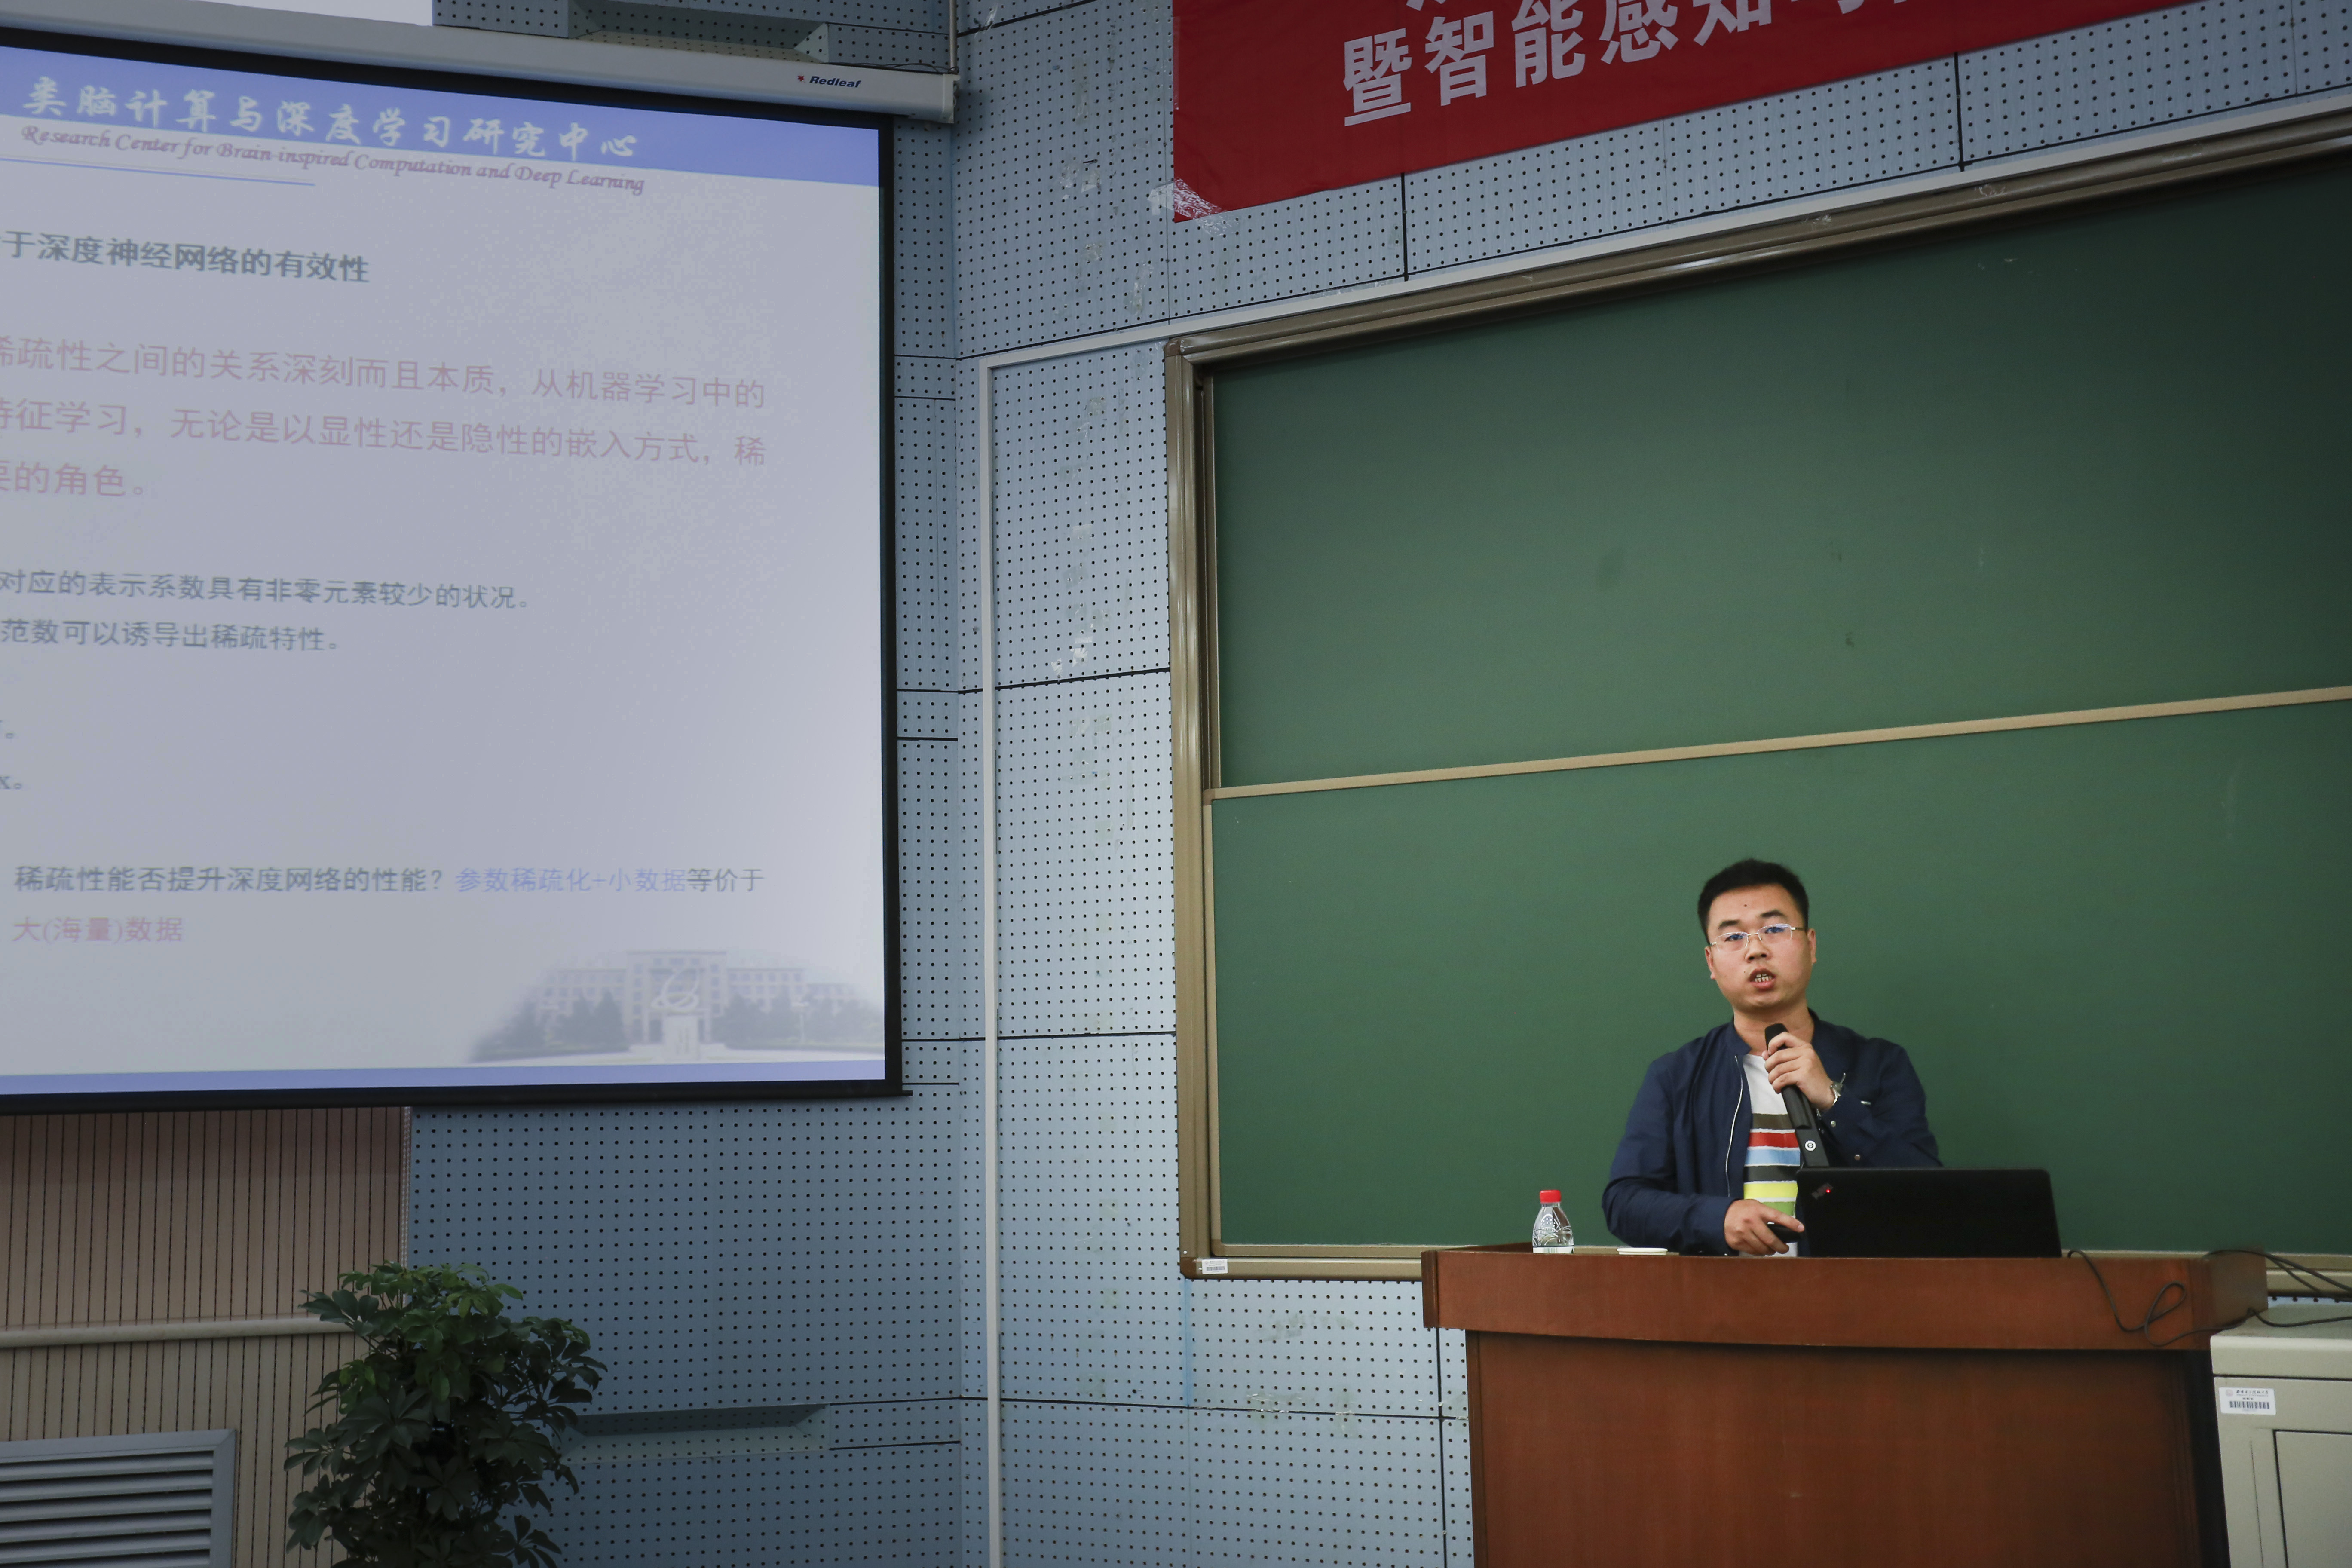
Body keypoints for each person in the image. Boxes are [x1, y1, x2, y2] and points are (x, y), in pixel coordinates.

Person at [1601, 858, 1939, 1256]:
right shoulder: (1676, 1076)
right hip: (1724, 1293)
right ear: (1711, 962)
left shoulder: (1880, 1065)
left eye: (1775, 930)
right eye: (1733, 937)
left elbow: (1929, 1195)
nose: (1756, 950)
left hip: (1850, 1291)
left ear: (1811, 945)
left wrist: (1834, 1101)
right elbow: (1625, 1204)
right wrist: (1717, 1218)